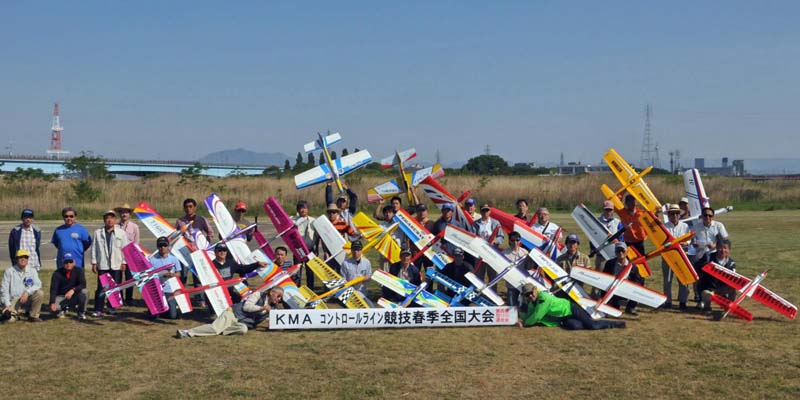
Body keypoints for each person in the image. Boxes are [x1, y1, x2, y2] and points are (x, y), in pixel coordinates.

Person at [176, 286, 284, 338]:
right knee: (214, 329)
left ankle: (221, 328)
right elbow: (246, 307)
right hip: (233, 313)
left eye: (281, 298)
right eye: (278, 296)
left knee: (243, 329)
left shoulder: (273, 308)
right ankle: (187, 332)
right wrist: (261, 308)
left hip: (242, 322)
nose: (279, 299)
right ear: (271, 293)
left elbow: (271, 320)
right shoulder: (258, 295)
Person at [517, 283, 625, 330]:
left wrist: (525, 323)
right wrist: (521, 319)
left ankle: (616, 324)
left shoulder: (543, 298)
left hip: (571, 309)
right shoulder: (532, 302)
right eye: (527, 295)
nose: (530, 296)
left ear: (535, 290)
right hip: (563, 317)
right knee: (575, 326)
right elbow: (530, 314)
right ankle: (586, 322)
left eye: (531, 293)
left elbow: (537, 315)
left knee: (593, 325)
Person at [91, 210, 130, 317]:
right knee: (101, 288)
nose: (109, 220)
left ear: (115, 220)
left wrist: (124, 262)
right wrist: (94, 262)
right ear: (104, 220)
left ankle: (111, 307)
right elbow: (94, 248)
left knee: (114, 287)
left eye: (112, 218)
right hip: (103, 265)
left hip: (116, 265)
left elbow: (125, 249)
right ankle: (98, 309)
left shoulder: (121, 233)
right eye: (107, 218)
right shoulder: (98, 233)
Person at [691, 207, 729, 303]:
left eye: (710, 215)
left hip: (714, 255)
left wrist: (715, 245)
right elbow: (692, 239)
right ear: (702, 216)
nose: (707, 217)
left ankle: (720, 294)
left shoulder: (718, 226)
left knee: (717, 277)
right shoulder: (696, 227)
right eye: (705, 215)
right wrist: (694, 243)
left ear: (713, 217)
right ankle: (699, 296)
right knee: (698, 276)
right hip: (700, 255)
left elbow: (725, 240)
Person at [176, 198, 214, 288]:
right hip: (185, 252)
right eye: (186, 207)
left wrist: (206, 244)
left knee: (198, 277)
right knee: (183, 277)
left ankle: (199, 296)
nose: (188, 209)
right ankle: (183, 295)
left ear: (195, 207)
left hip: (198, 252)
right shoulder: (180, 221)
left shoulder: (201, 219)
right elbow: (176, 235)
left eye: (190, 206)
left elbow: (210, 232)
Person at [1, 249, 44, 322]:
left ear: (28, 259)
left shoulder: (32, 270)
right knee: (9, 320)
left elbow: (38, 284)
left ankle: (33, 316)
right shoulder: (9, 271)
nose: (23, 259)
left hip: (27, 299)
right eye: (21, 257)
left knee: (40, 293)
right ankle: (15, 314)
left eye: (25, 257)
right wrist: (7, 305)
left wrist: (27, 292)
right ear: (17, 259)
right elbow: (4, 290)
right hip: (14, 300)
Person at [662, 204, 691, 310]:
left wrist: (685, 243)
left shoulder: (685, 226)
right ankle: (668, 301)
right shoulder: (664, 227)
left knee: (683, 278)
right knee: (667, 279)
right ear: (668, 215)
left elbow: (689, 239)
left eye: (676, 213)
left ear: (679, 215)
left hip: (682, 255)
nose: (674, 215)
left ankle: (683, 302)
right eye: (672, 213)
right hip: (668, 256)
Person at [602, 242, 643, 315]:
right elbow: (604, 278)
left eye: (623, 251)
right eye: (618, 251)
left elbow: (637, 281)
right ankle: (612, 305)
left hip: (626, 286)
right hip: (612, 286)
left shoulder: (632, 267)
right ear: (615, 252)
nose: (621, 253)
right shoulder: (609, 263)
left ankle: (630, 307)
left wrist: (630, 285)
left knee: (640, 284)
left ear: (627, 252)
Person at [698, 239, 736, 311]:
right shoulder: (708, 258)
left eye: (725, 248)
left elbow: (733, 279)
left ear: (729, 250)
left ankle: (728, 306)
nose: (723, 250)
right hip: (709, 288)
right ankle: (707, 306)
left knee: (733, 288)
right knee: (707, 294)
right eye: (720, 247)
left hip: (722, 288)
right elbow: (698, 268)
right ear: (717, 248)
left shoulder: (731, 263)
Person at [151, 236, 182, 320]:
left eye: (164, 245)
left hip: (170, 289)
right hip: (157, 289)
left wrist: (172, 275)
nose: (162, 247)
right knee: (153, 316)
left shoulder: (174, 259)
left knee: (173, 316)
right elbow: (150, 276)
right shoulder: (152, 260)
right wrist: (162, 275)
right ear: (157, 247)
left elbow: (179, 273)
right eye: (160, 246)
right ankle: (158, 310)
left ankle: (168, 310)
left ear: (168, 246)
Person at [49, 253, 87, 320]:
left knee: (85, 291)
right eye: (66, 262)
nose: (68, 264)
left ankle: (81, 312)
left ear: (74, 262)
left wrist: (73, 290)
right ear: (63, 263)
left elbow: (83, 284)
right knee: (53, 310)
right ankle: (63, 309)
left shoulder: (79, 271)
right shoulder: (57, 273)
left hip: (74, 295)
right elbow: (53, 289)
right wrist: (52, 302)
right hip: (61, 297)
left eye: (70, 261)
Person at [115, 203, 140, 305]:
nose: (124, 214)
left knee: (129, 278)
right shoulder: (115, 227)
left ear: (129, 214)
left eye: (126, 212)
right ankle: (119, 298)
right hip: (118, 256)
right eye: (122, 212)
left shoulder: (134, 227)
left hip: (130, 256)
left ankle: (129, 299)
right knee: (118, 278)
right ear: (119, 214)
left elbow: (136, 243)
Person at [504, 232, 534, 306]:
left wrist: (531, 260)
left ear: (520, 241)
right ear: (509, 240)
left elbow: (529, 267)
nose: (515, 242)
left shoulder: (525, 252)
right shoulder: (504, 253)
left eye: (517, 240)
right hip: (511, 284)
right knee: (512, 307)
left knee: (525, 307)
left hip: (524, 285)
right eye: (512, 240)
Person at [292, 200, 316, 288]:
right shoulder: (293, 220)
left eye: (305, 208)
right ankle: (297, 289)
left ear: (307, 209)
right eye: (300, 208)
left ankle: (311, 289)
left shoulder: (313, 221)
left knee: (310, 271)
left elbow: (317, 236)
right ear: (297, 210)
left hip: (310, 249)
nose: (303, 210)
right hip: (298, 249)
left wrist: (316, 248)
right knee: (297, 270)